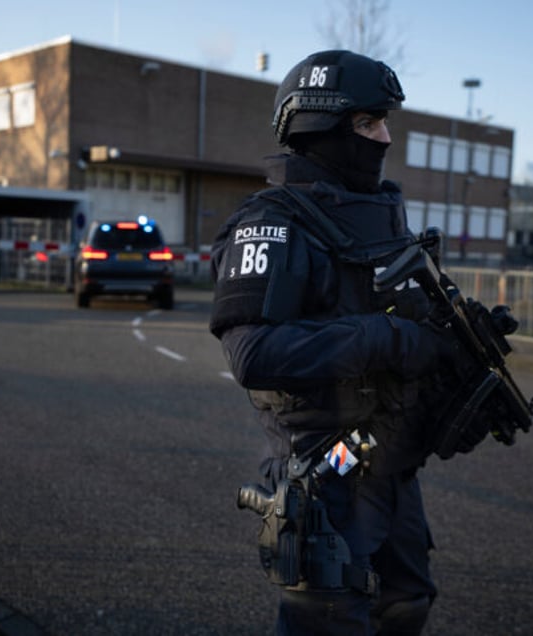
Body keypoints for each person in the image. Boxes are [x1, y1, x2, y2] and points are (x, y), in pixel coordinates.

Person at [209, 50, 489, 635]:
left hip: (389, 458)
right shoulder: (273, 224)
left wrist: (455, 348)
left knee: (406, 603)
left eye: (384, 121)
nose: (384, 138)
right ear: (321, 126)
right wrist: (389, 338)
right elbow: (254, 354)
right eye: (367, 124)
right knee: (329, 622)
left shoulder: (380, 214)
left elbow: (404, 318)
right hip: (324, 467)